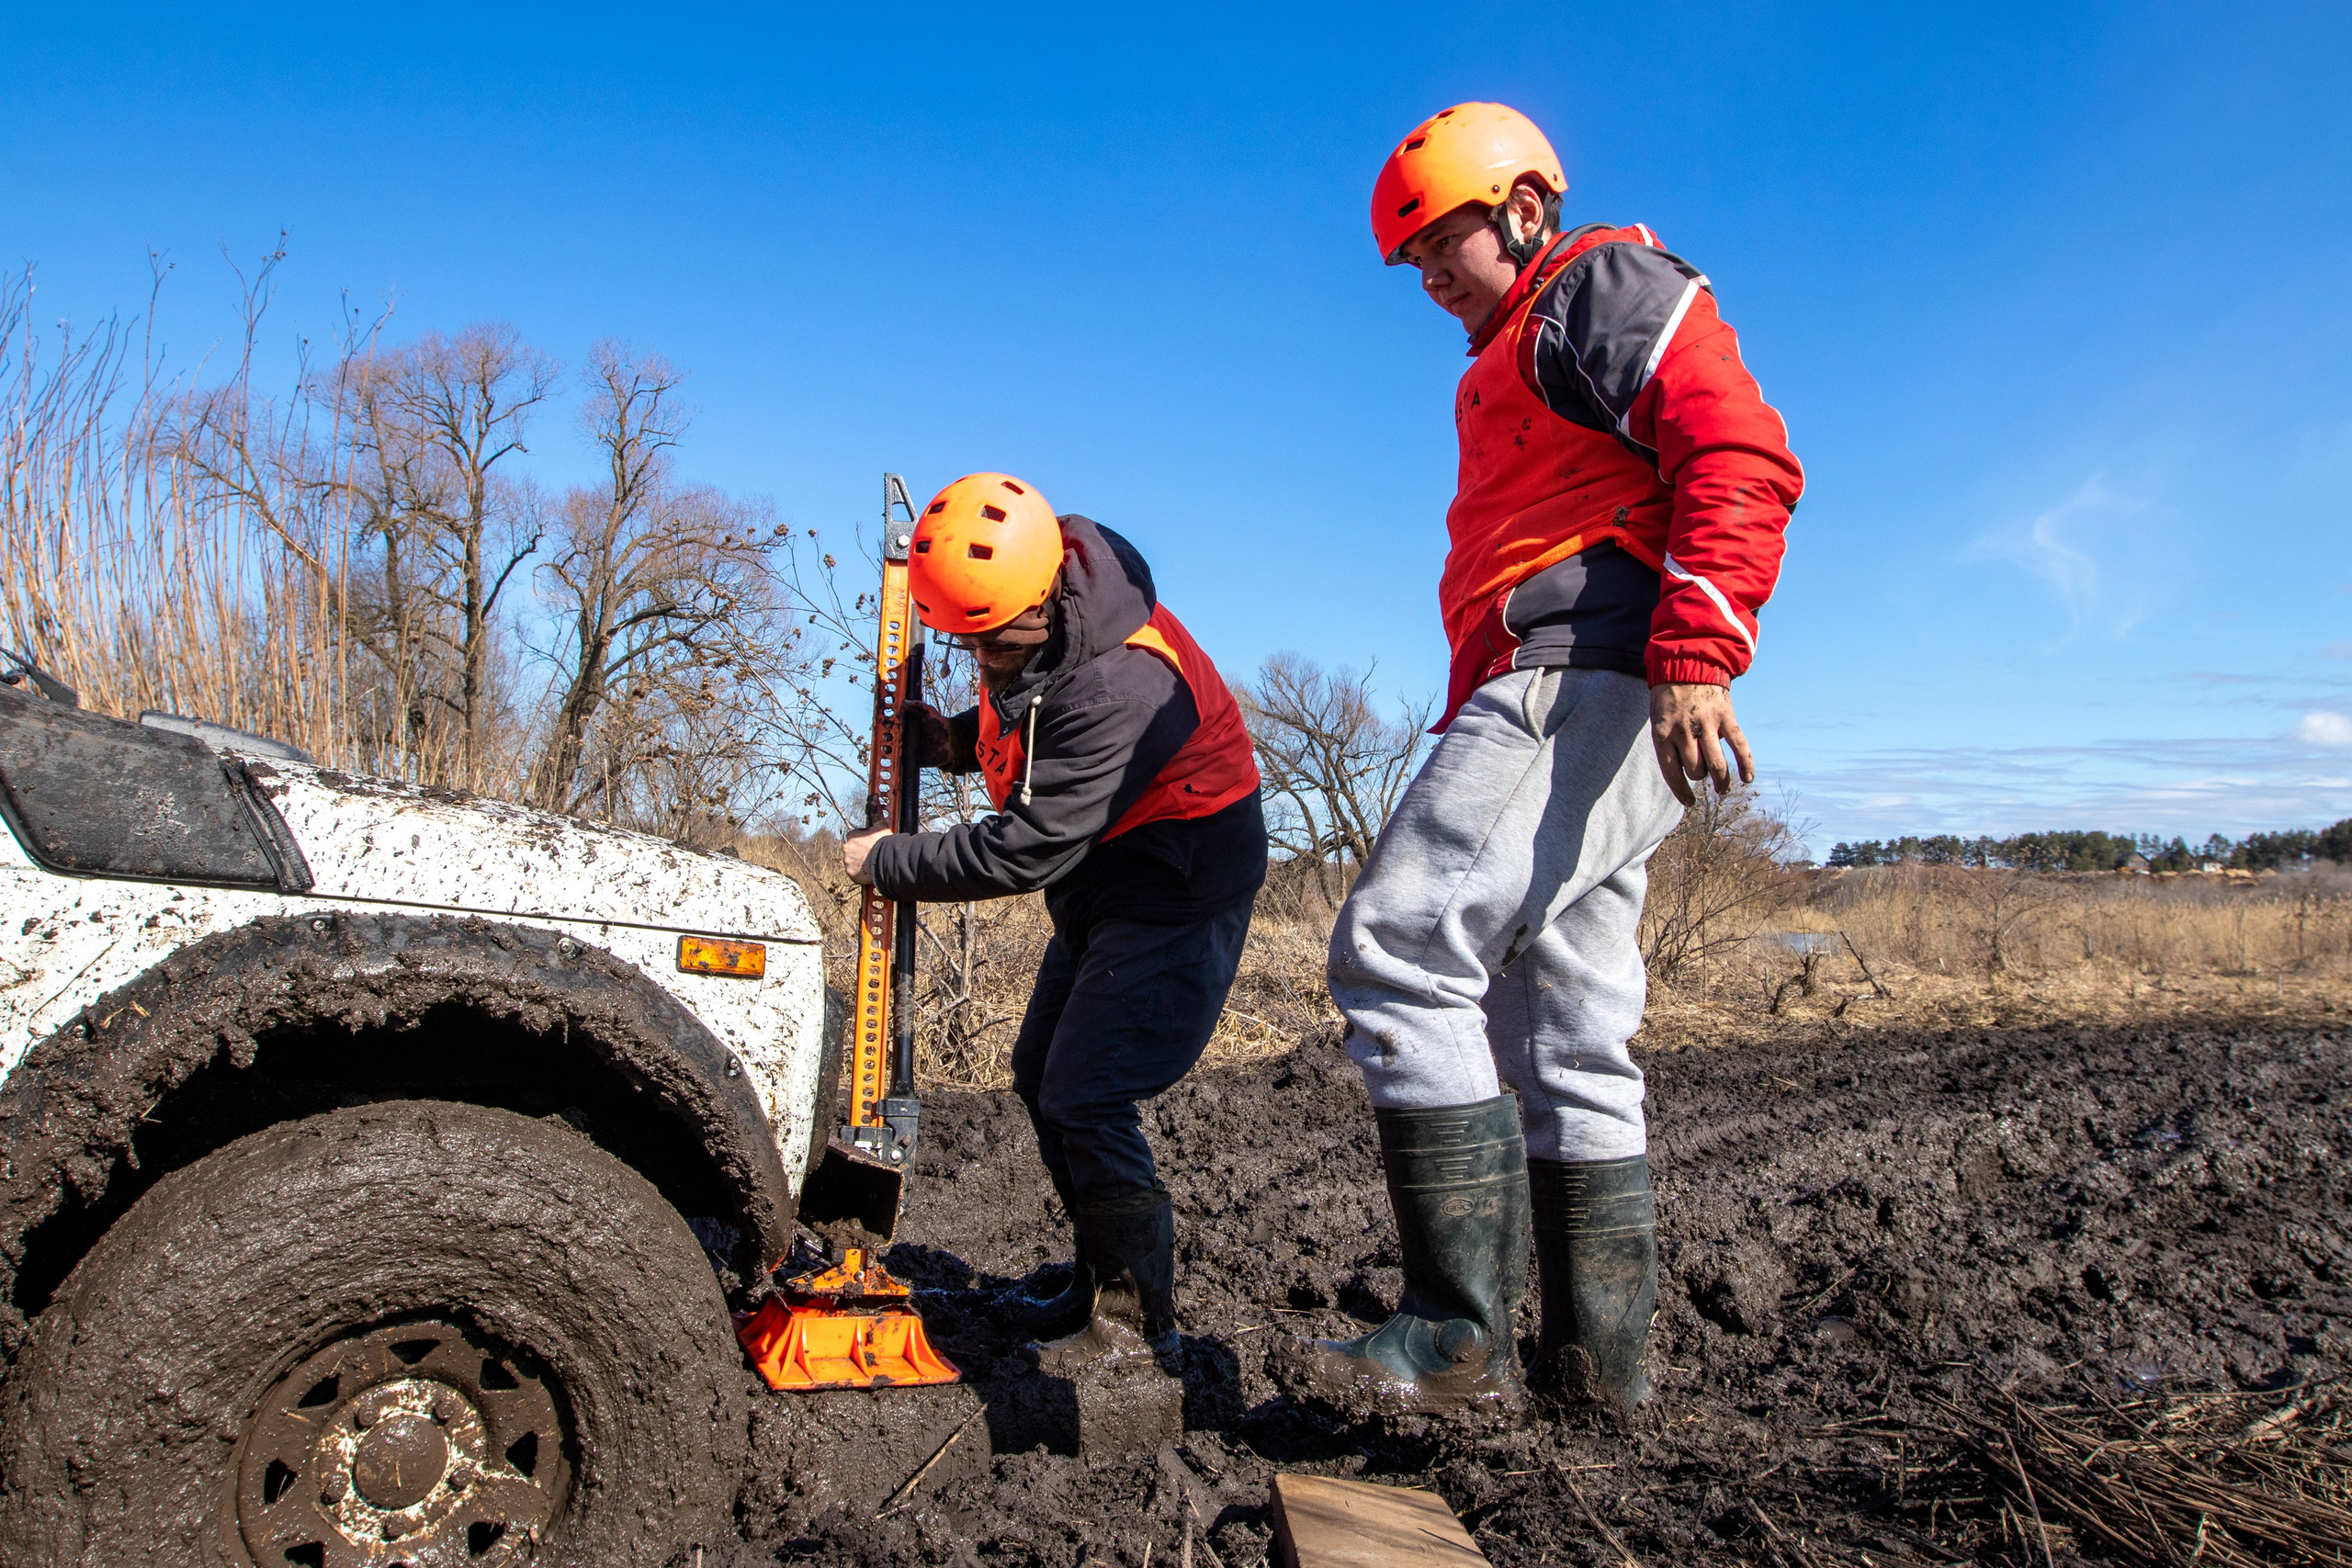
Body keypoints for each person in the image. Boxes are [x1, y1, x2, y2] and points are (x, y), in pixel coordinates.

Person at [1283, 104, 1804, 1412]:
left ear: (1523, 207)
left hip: (1587, 671)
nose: (1426, 276)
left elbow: (1738, 448)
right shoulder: (1516, 346)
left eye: (1439, 241)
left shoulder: (1598, 287)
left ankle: (1455, 1333)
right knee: (1570, 1030)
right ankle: (1597, 1381)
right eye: (1409, 260)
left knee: (1399, 946)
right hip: (1581, 680)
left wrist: (1699, 645)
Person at [842, 472, 1266, 1367]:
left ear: (1036, 603)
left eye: (987, 642)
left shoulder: (1123, 684)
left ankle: (1132, 1323)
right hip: (1109, 864)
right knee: (1040, 1071)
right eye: (965, 642)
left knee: (1086, 1088)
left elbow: (1026, 846)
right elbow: (1030, 705)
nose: (976, 660)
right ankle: (1094, 1277)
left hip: (1175, 881)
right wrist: (956, 741)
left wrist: (889, 861)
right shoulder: (1047, 593)